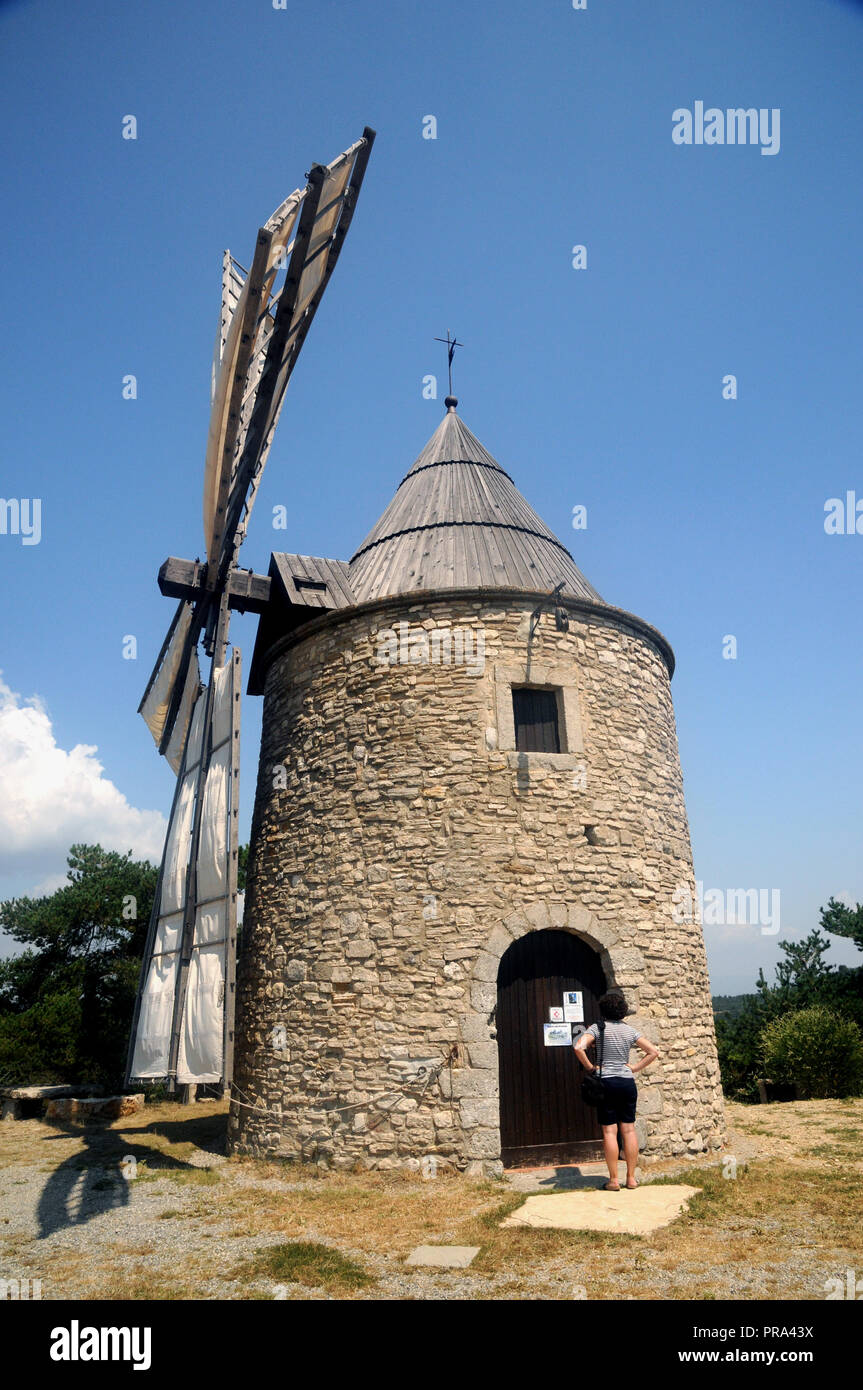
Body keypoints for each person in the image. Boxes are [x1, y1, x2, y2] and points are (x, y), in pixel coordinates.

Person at [573, 990, 659, 1191]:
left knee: (610, 1132)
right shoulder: (629, 1031)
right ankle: (631, 1178)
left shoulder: (597, 1028)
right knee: (628, 1129)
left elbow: (578, 1047)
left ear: (603, 1009)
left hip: (607, 1083)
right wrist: (635, 1068)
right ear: (622, 1011)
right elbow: (653, 1051)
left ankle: (613, 1180)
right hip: (627, 1083)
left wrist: (591, 1067)